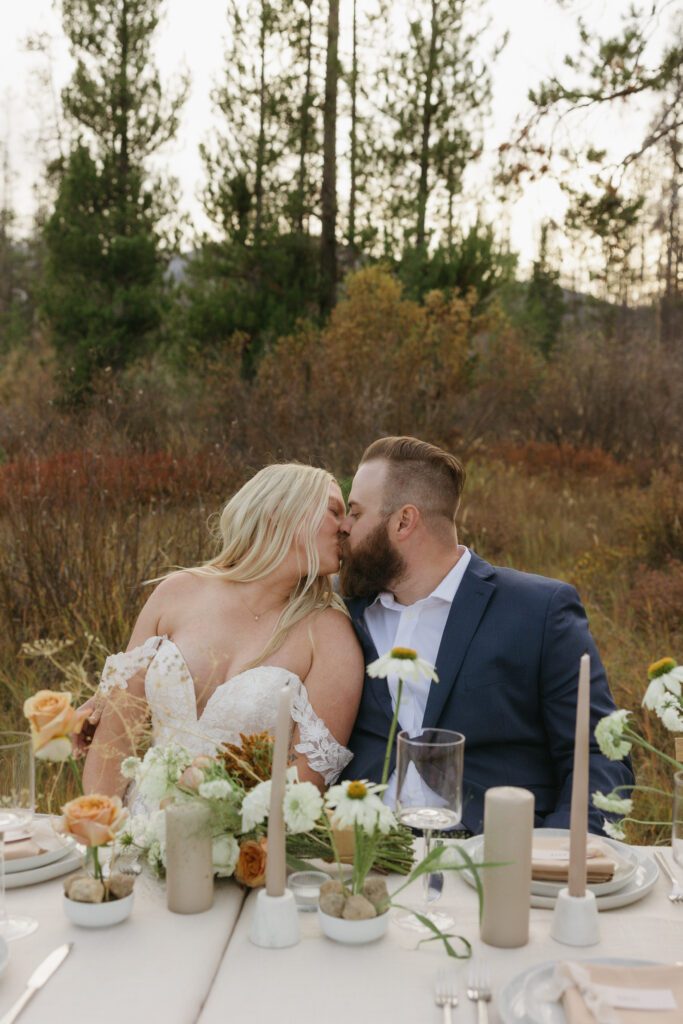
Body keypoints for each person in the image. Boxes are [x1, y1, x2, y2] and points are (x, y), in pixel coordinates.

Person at [337, 435, 634, 835]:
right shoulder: (340, 608)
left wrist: (554, 854)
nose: (344, 527)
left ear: (404, 521)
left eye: (355, 513)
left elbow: (600, 755)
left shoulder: (539, 611)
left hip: (492, 857)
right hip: (360, 853)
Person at [83, 464, 364, 801]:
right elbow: (113, 742)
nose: (347, 527)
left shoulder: (331, 636)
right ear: (278, 511)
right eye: (334, 510)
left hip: (248, 844)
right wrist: (106, 838)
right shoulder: (177, 593)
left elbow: (299, 792)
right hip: (138, 831)